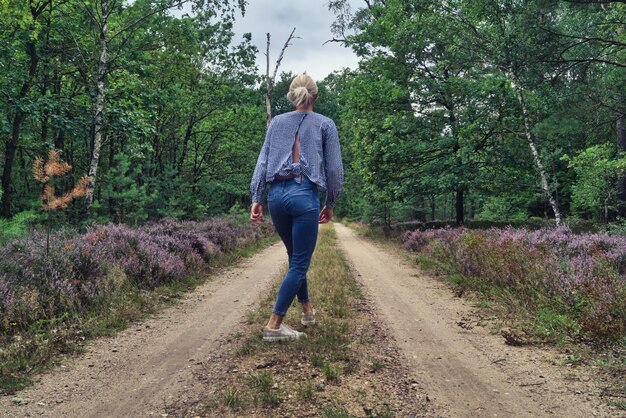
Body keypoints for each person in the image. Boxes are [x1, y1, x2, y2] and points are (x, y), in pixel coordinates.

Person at [250, 74, 344, 342]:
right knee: (301, 262)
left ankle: (307, 310)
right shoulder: (326, 124)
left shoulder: (276, 122)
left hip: (276, 197)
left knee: (295, 257)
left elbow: (262, 161)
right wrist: (331, 202)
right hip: (304, 195)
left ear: (292, 95)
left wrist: (256, 197)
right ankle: (274, 325)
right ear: (315, 96)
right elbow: (335, 169)